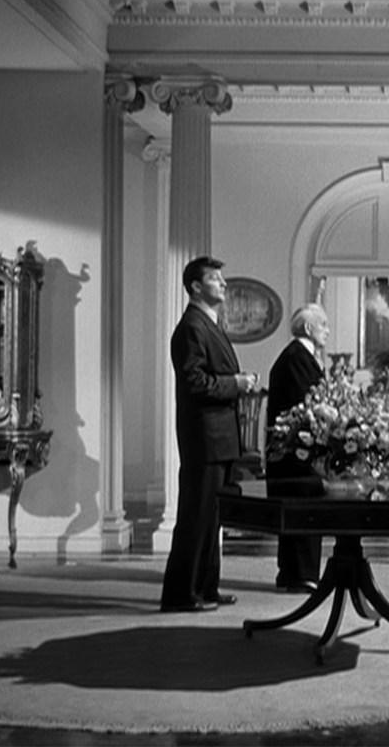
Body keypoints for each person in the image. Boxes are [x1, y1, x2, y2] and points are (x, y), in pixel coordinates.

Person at [160, 256, 258, 612]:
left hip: (220, 438)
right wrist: (236, 383)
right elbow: (195, 382)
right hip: (204, 439)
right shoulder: (191, 327)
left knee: (212, 520)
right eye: (215, 278)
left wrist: (237, 382)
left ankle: (206, 588)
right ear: (196, 287)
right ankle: (182, 595)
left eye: (222, 278)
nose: (224, 283)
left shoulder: (208, 324)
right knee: (196, 519)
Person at [265, 303, 330, 592]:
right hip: (295, 455)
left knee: (299, 513)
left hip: (296, 453)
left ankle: (294, 573)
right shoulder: (296, 358)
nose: (327, 330)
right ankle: (300, 574)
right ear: (307, 327)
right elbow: (308, 406)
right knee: (303, 512)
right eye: (323, 324)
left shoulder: (300, 356)